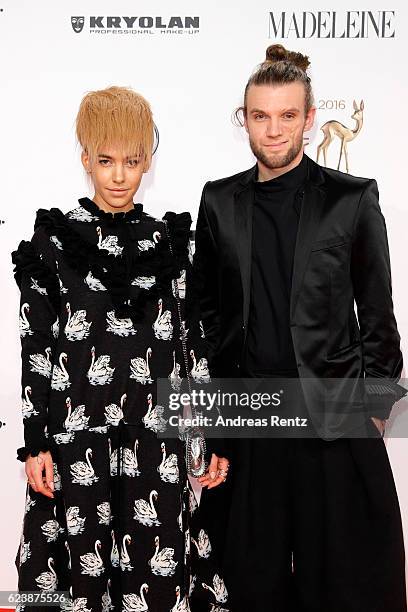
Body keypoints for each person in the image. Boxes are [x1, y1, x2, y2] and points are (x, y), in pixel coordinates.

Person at [191, 45, 407, 612]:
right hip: (253, 418)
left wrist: (377, 409)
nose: (274, 129)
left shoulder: (352, 199)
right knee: (248, 579)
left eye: (288, 115)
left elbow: (379, 319)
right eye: (260, 116)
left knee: (346, 580)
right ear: (245, 119)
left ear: (310, 119)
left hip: (332, 419)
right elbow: (207, 318)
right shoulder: (218, 201)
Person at [12, 85, 210, 612]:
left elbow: (192, 348)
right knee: (77, 586)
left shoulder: (172, 246)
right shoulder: (52, 246)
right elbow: (37, 346)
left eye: (132, 160)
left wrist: (204, 437)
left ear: (148, 160)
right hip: (78, 443)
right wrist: (36, 443)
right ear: (84, 158)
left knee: (160, 584)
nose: (119, 176)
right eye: (105, 160)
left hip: (157, 445)